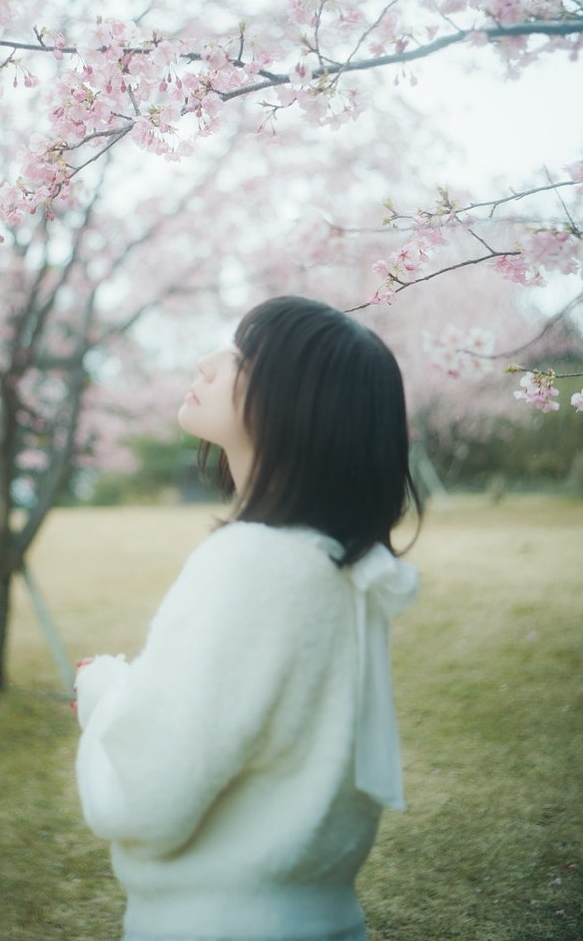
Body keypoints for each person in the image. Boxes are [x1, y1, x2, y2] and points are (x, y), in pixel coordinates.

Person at [74, 295, 420, 941]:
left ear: (298, 404)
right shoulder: (337, 567)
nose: (208, 362)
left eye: (243, 355)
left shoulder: (251, 565)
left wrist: (103, 695)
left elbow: (151, 794)